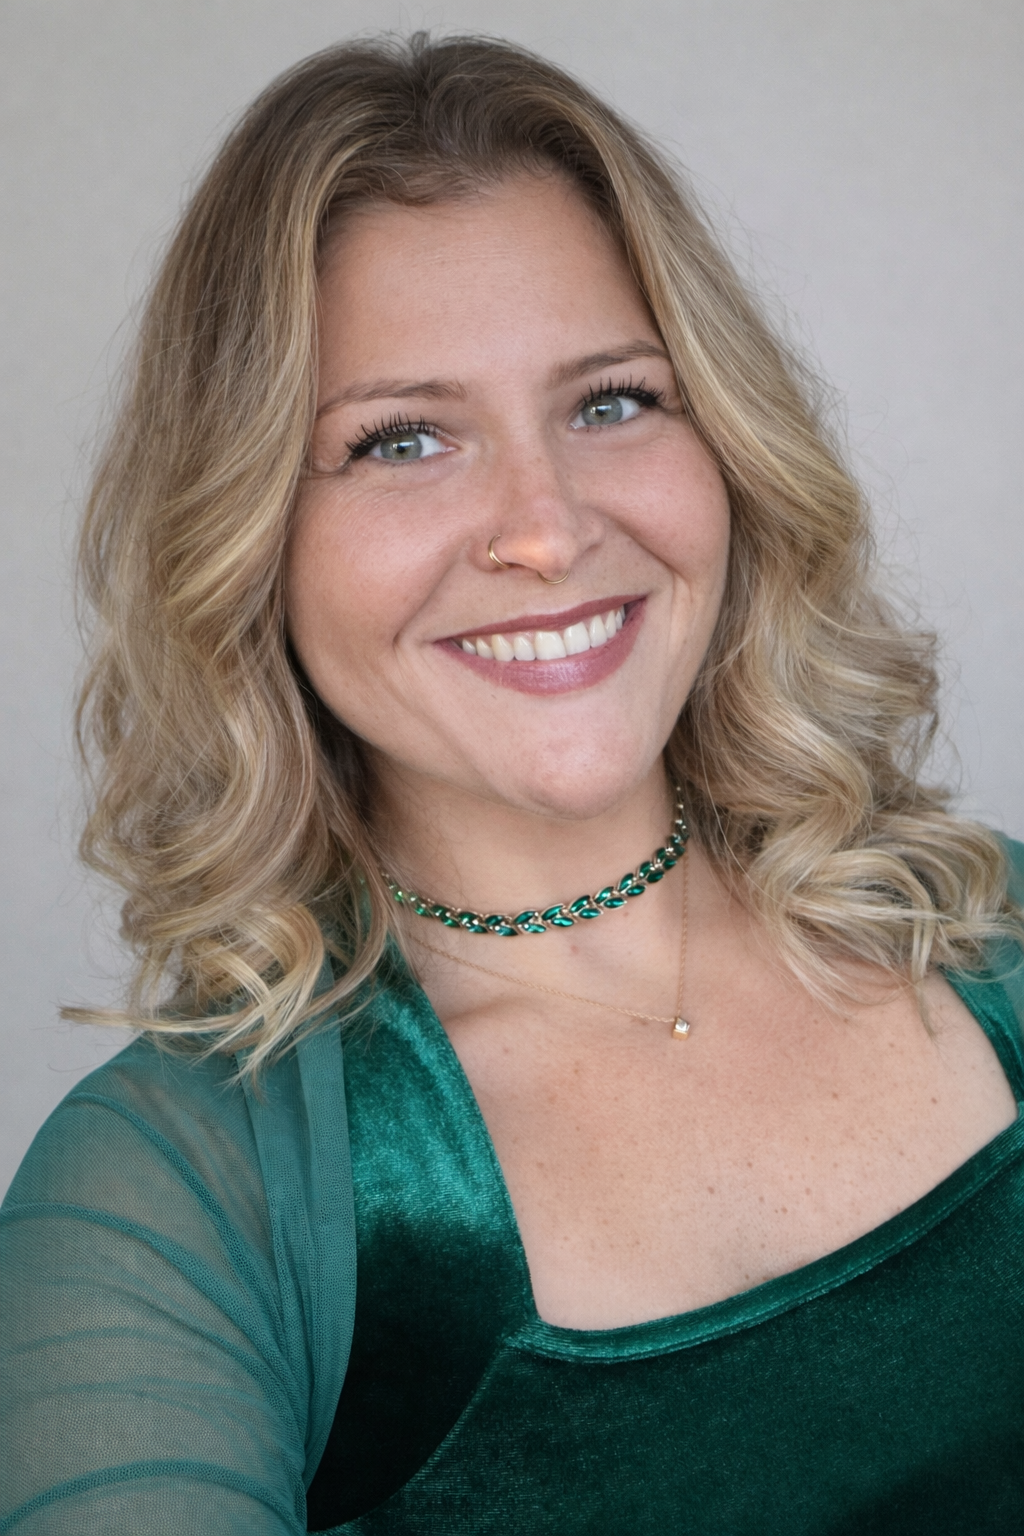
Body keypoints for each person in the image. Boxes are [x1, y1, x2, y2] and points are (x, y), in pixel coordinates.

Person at [2, 31, 1023, 1535]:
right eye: (402, 440)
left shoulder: (993, 928)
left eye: (612, 402)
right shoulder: (171, 1193)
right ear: (247, 539)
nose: (544, 529)